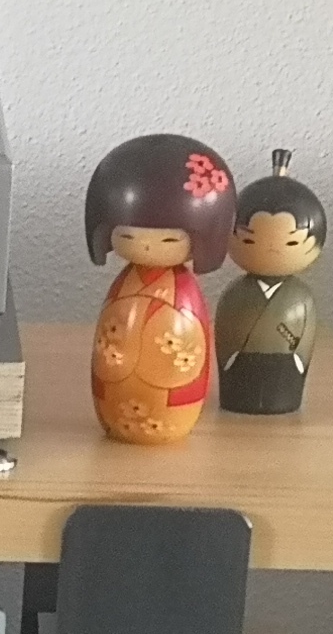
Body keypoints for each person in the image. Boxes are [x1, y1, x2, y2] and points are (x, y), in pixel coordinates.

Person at [83, 134, 236, 446]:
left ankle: (170, 418)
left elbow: (190, 345)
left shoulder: (184, 291)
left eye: (169, 239)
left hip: (168, 388)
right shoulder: (125, 283)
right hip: (117, 384)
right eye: (128, 236)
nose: (147, 246)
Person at [217, 152, 326, 416]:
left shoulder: (300, 297)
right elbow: (225, 335)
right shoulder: (235, 294)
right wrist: (227, 360)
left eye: (291, 242)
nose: (271, 249)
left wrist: (299, 361)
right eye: (249, 240)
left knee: (282, 395)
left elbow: (304, 336)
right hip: (242, 362)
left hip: (285, 365)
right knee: (240, 394)